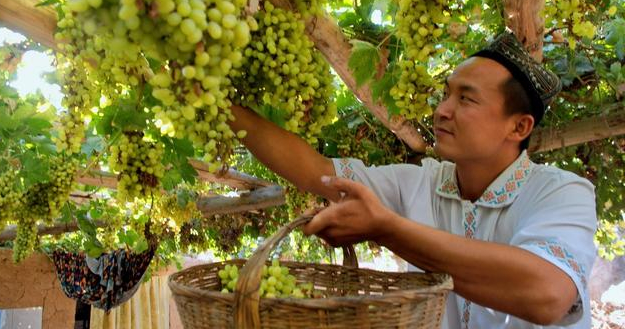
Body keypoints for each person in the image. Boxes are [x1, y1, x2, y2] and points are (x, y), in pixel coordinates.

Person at [228, 30, 597, 328]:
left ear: (519, 126)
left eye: (466, 100)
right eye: (445, 94)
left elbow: (548, 294)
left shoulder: (561, 192)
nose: (442, 110)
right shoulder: (421, 182)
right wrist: (219, 105)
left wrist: (386, 229)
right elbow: (318, 173)